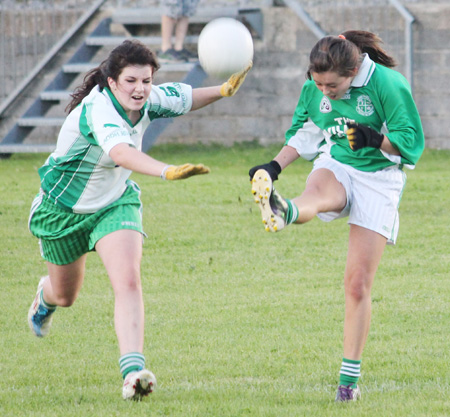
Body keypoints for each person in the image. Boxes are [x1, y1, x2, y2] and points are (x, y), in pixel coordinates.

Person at [27, 39, 252, 401]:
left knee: (129, 280)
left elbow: (187, 98)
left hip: (115, 202)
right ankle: (45, 298)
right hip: (63, 210)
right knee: (66, 295)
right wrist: (166, 171)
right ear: (112, 82)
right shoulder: (98, 109)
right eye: (131, 81)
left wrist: (224, 90)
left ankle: (133, 373)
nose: (140, 89)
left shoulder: (149, 98)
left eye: (146, 81)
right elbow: (120, 152)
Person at [249, 30, 424, 402]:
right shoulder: (315, 87)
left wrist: (375, 139)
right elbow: (306, 131)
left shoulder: (388, 84)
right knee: (318, 194)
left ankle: (348, 383)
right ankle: (285, 208)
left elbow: (410, 144)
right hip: (339, 163)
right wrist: (274, 166)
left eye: (333, 85)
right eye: (318, 84)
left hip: (379, 179)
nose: (325, 91)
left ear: (354, 69)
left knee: (357, 284)